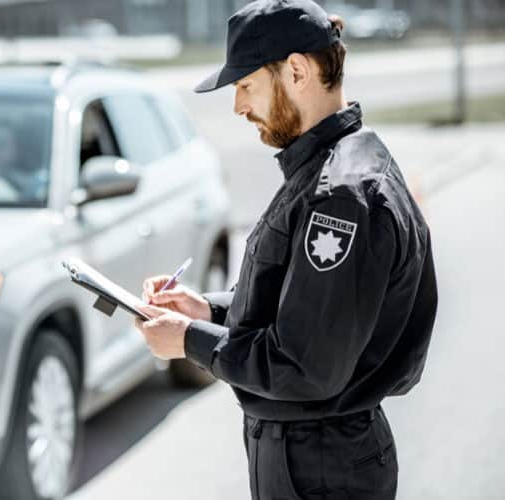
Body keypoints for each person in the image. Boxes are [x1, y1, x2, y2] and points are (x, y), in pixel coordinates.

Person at [133, 1, 438, 499]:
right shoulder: (330, 165)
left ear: (296, 71)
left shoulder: (340, 195)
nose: (237, 105)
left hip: (321, 468)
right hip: (315, 457)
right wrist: (206, 309)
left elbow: (304, 366)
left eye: (245, 84)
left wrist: (191, 341)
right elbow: (303, 303)